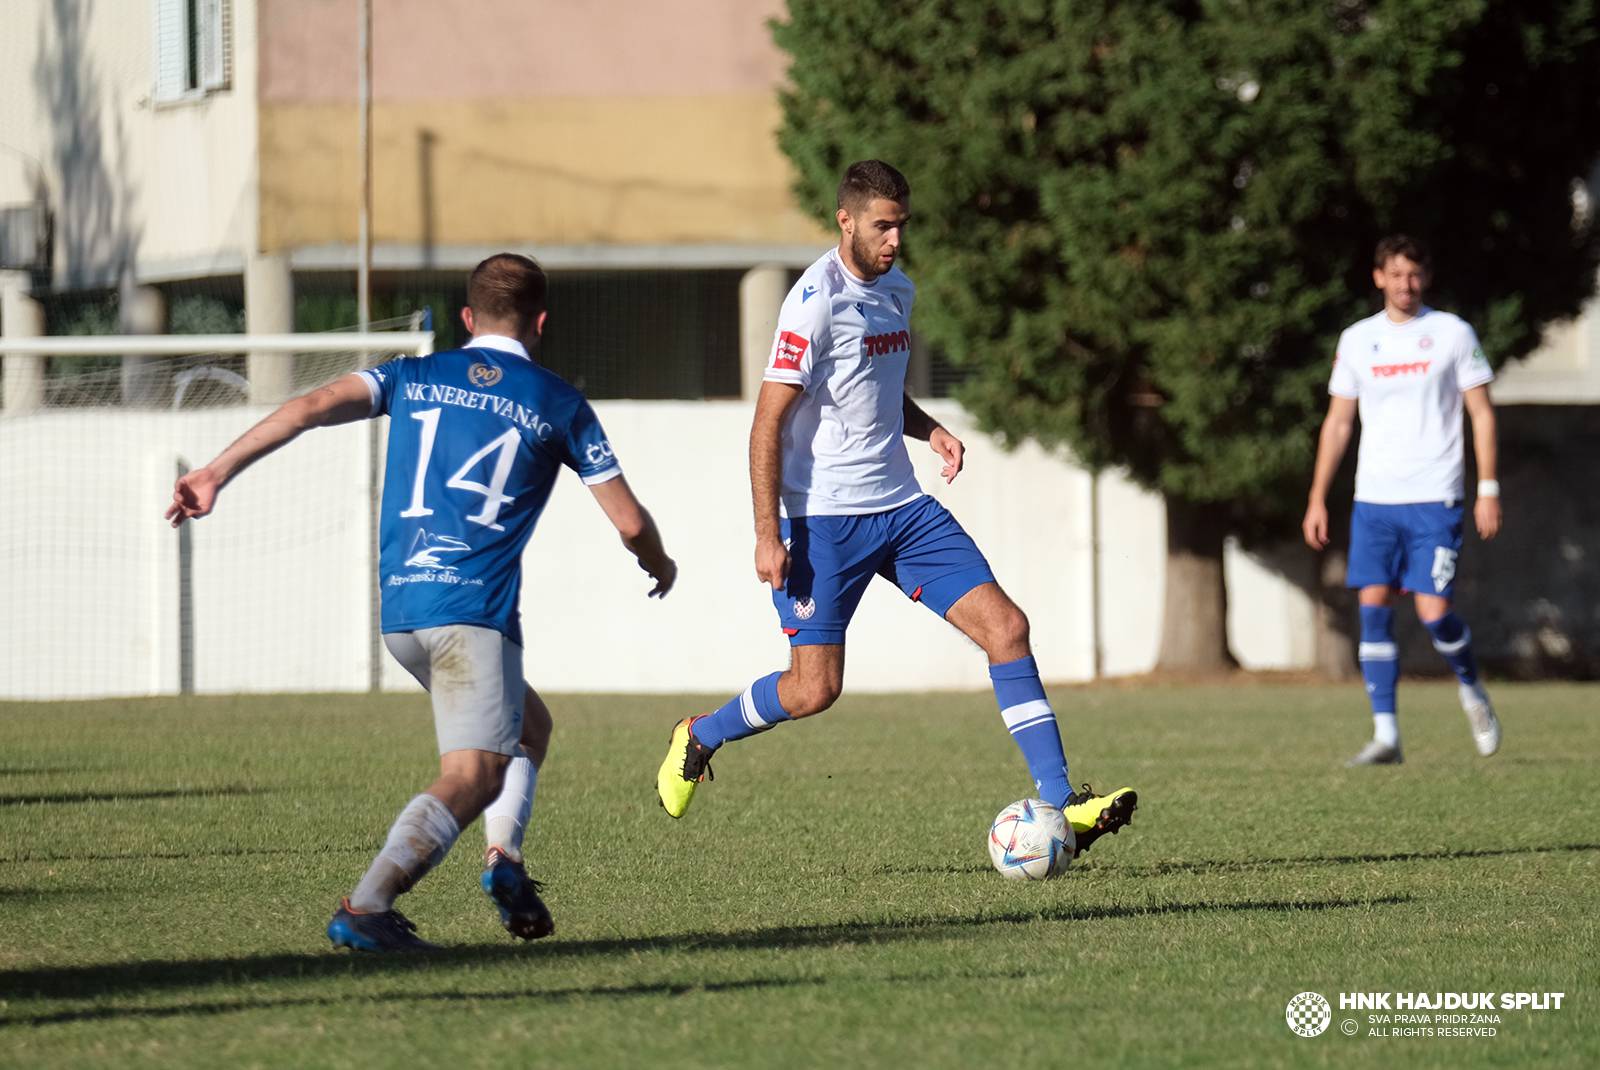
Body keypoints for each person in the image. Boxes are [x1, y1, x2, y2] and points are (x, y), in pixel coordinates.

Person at [166, 253, 676, 949]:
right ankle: (368, 906)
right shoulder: (557, 401)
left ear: (468, 319)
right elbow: (628, 523)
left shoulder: (411, 375)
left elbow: (311, 406)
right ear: (542, 323)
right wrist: (660, 562)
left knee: (529, 730)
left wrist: (216, 470)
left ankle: (506, 862)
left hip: (403, 611)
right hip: (474, 614)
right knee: (473, 772)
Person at [653, 160, 1136, 851]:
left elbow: (876, 392)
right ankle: (699, 735)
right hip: (824, 521)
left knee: (1006, 627)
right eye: (882, 225)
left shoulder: (897, 290)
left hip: (904, 509)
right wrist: (768, 533)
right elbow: (766, 423)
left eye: (901, 225)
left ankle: (1065, 802)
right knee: (814, 690)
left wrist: (927, 427)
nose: (895, 240)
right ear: (845, 221)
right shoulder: (813, 303)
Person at [1303, 235, 1502, 766]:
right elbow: (1339, 421)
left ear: (1425, 278)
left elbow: (1481, 412)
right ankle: (1386, 736)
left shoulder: (1452, 334)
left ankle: (1472, 688)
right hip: (1375, 499)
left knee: (1434, 612)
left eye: (1413, 275)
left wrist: (1488, 487)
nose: (1405, 285)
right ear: (1378, 278)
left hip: (1435, 496)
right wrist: (1318, 497)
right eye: (1395, 274)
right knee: (1372, 608)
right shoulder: (1358, 340)